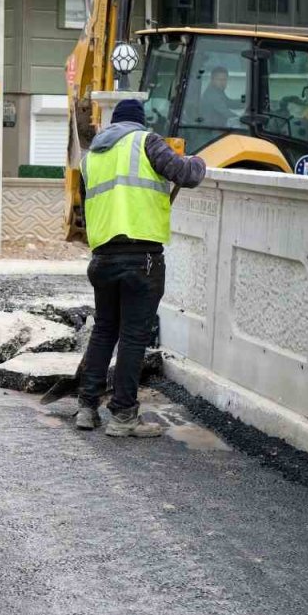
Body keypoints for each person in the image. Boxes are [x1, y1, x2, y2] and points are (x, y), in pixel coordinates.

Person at [76, 99, 206, 436]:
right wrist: (199, 160)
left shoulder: (90, 158)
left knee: (105, 330)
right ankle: (123, 417)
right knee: (133, 337)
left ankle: (87, 407)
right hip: (141, 257)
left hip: (102, 257)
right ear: (138, 122)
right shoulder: (145, 141)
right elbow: (186, 175)